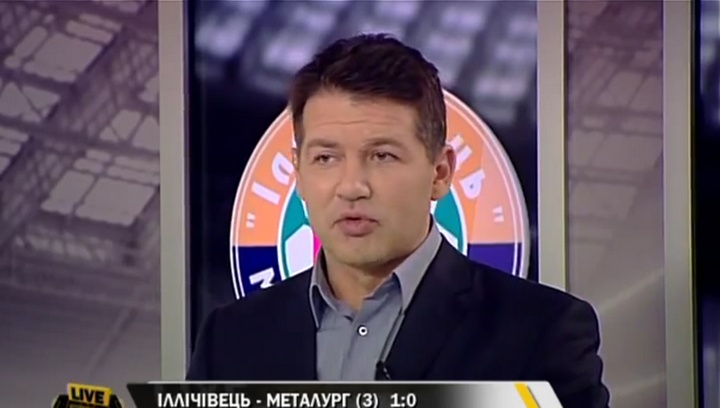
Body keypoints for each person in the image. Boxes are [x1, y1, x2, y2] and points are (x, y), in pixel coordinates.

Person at [187, 33, 610, 408]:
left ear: (440, 173)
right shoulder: (229, 339)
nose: (352, 186)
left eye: (382, 156)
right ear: (298, 173)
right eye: (326, 158)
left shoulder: (542, 332)